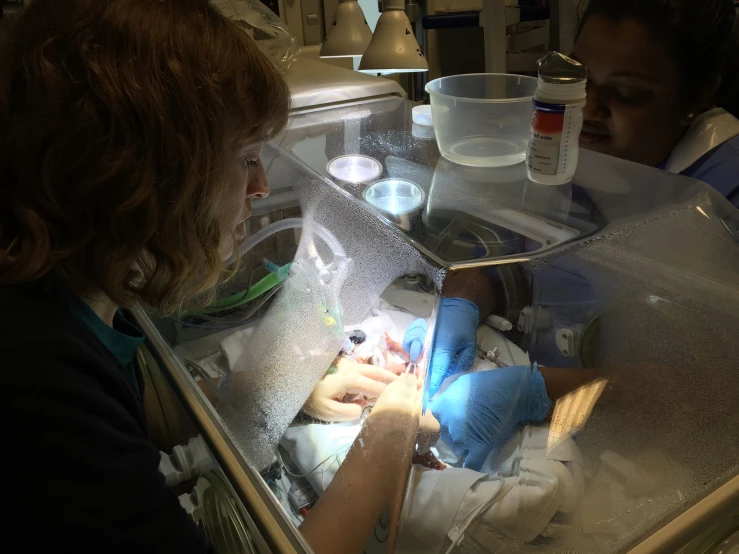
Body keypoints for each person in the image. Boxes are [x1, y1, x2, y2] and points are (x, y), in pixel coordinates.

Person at [0, 1, 420, 553]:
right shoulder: (37, 380)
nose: (263, 186)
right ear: (150, 177)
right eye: (246, 158)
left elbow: (133, 410)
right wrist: (384, 442)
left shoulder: (81, 288)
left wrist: (283, 392)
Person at [417, 0, 739, 470]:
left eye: (627, 93)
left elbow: (715, 391)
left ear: (696, 97)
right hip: (560, 433)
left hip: (672, 457)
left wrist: (542, 391)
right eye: (578, 81)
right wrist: (461, 303)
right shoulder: (569, 153)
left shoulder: (723, 194)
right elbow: (521, 256)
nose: (588, 108)